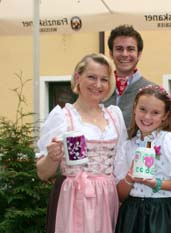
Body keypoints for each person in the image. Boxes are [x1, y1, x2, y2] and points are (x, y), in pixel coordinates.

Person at [36, 53, 128, 233]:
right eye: (92, 77)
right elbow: (42, 173)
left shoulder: (114, 116)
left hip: (108, 198)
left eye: (104, 79)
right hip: (73, 198)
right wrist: (53, 157)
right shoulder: (62, 117)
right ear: (78, 77)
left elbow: (121, 165)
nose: (98, 85)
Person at [114, 84, 171, 233]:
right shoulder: (127, 145)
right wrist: (130, 176)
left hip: (165, 213)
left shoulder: (169, 141)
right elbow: (121, 195)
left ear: (165, 116)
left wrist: (156, 183)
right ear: (134, 108)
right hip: (133, 213)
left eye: (155, 112)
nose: (147, 117)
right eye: (143, 109)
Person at [104, 25, 155, 128]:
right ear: (111, 53)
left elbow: (158, 132)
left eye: (130, 49)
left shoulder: (152, 90)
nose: (124, 54)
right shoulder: (99, 89)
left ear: (139, 54)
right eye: (119, 49)